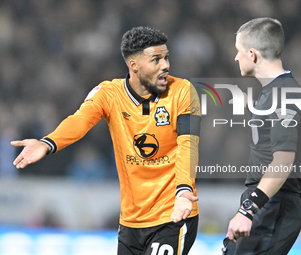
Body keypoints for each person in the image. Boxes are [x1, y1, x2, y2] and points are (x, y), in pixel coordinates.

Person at [11, 26, 201, 255]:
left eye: (167, 58)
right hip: (131, 222)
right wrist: (48, 143)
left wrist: (183, 192)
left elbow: (187, 145)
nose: (165, 65)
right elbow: (80, 120)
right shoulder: (108, 93)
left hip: (173, 213)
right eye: (156, 59)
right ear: (134, 65)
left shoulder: (182, 91)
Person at [226, 18, 301, 255]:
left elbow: (283, 162)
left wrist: (247, 211)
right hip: (268, 203)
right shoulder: (277, 91)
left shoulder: (284, 93)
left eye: (238, 51)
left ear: (252, 54)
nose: (235, 57)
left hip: (272, 204)